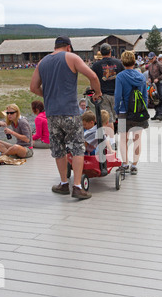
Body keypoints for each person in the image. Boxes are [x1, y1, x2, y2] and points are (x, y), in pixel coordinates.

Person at [30, 36, 101, 200]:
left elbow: (33, 87)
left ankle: (63, 183)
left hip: (52, 113)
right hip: (70, 111)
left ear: (55, 47)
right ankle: (77, 186)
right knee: (77, 147)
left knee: (58, 149)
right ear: (68, 47)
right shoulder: (72, 57)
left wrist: (47, 95)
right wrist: (97, 93)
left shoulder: (42, 62)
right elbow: (93, 77)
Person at [114, 50, 149, 175]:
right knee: (137, 139)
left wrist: (116, 110)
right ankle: (134, 164)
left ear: (123, 63)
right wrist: (143, 109)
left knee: (123, 139)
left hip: (124, 111)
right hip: (138, 112)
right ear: (135, 62)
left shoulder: (120, 76)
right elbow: (145, 96)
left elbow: (117, 96)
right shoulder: (141, 76)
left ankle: (125, 163)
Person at [91, 43, 124, 146]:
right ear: (110, 51)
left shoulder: (96, 65)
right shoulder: (118, 63)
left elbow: (93, 79)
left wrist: (95, 91)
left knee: (108, 119)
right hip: (117, 94)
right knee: (118, 117)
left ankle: (112, 141)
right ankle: (121, 139)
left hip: (103, 94)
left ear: (101, 52)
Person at [147, 52, 162, 121]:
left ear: (155, 57)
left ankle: (160, 114)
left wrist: (158, 78)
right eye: (149, 59)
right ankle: (157, 113)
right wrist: (149, 78)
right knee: (153, 98)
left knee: (160, 98)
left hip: (159, 83)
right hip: (153, 84)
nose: (150, 60)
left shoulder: (159, 64)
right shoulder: (150, 65)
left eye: (151, 58)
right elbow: (149, 74)